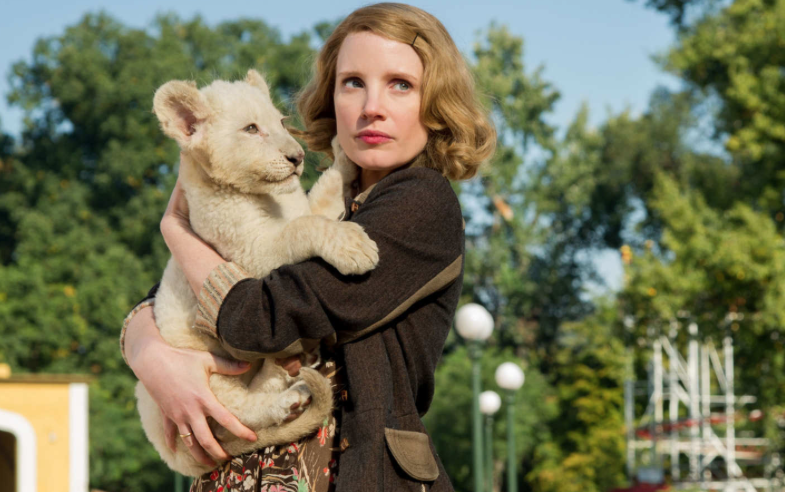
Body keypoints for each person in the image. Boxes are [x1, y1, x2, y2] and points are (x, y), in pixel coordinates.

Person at [120, 3, 496, 491]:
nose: (372, 106)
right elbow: (174, 297)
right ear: (332, 96)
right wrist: (150, 353)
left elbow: (262, 319)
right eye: (353, 82)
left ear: (435, 102)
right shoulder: (315, 198)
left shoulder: (421, 202)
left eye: (400, 84)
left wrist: (175, 228)